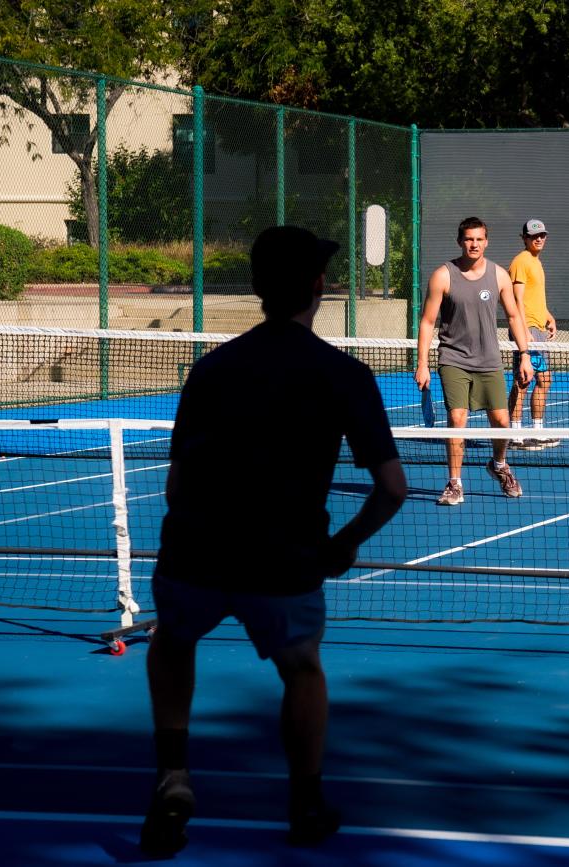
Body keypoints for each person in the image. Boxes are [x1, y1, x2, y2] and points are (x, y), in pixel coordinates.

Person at [140, 226, 407, 856]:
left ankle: (173, 776)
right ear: (318, 288)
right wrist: (344, 544)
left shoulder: (210, 371)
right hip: (285, 560)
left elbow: (177, 488)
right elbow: (392, 488)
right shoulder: (344, 375)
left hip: (194, 551)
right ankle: (306, 801)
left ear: (258, 288)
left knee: (174, 643)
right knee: (302, 670)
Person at [416, 216, 534, 506]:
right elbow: (428, 322)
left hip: (490, 361)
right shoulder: (443, 276)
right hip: (453, 359)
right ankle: (455, 483)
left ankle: (499, 464)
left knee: (501, 421)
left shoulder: (499, 275)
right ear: (460, 241)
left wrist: (525, 356)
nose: (474, 244)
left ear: (486, 242)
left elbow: (515, 316)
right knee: (457, 420)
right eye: (469, 239)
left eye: (479, 239)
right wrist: (422, 363)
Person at [508, 219, 560, 450]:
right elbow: (516, 299)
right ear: (525, 238)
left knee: (542, 380)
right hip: (527, 330)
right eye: (533, 236)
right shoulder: (521, 261)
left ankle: (537, 431)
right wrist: (523, 331)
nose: (539, 239)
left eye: (542, 235)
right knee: (524, 381)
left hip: (537, 329)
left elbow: (534, 298)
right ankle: (515, 434)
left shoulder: (536, 262)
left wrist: (549, 316)